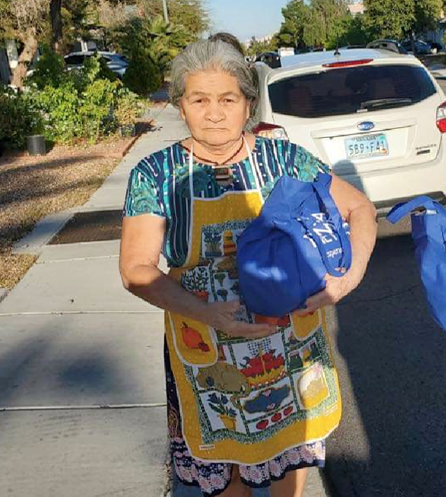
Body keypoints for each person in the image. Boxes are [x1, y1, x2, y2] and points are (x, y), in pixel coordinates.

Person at [119, 39, 377, 497]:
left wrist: (346, 279)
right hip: (206, 349)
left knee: (290, 453)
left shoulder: (286, 159)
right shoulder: (156, 173)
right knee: (225, 471)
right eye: (199, 100)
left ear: (248, 104)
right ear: (180, 105)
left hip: (289, 343)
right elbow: (136, 268)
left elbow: (360, 209)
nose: (214, 113)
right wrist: (210, 315)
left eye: (227, 99)